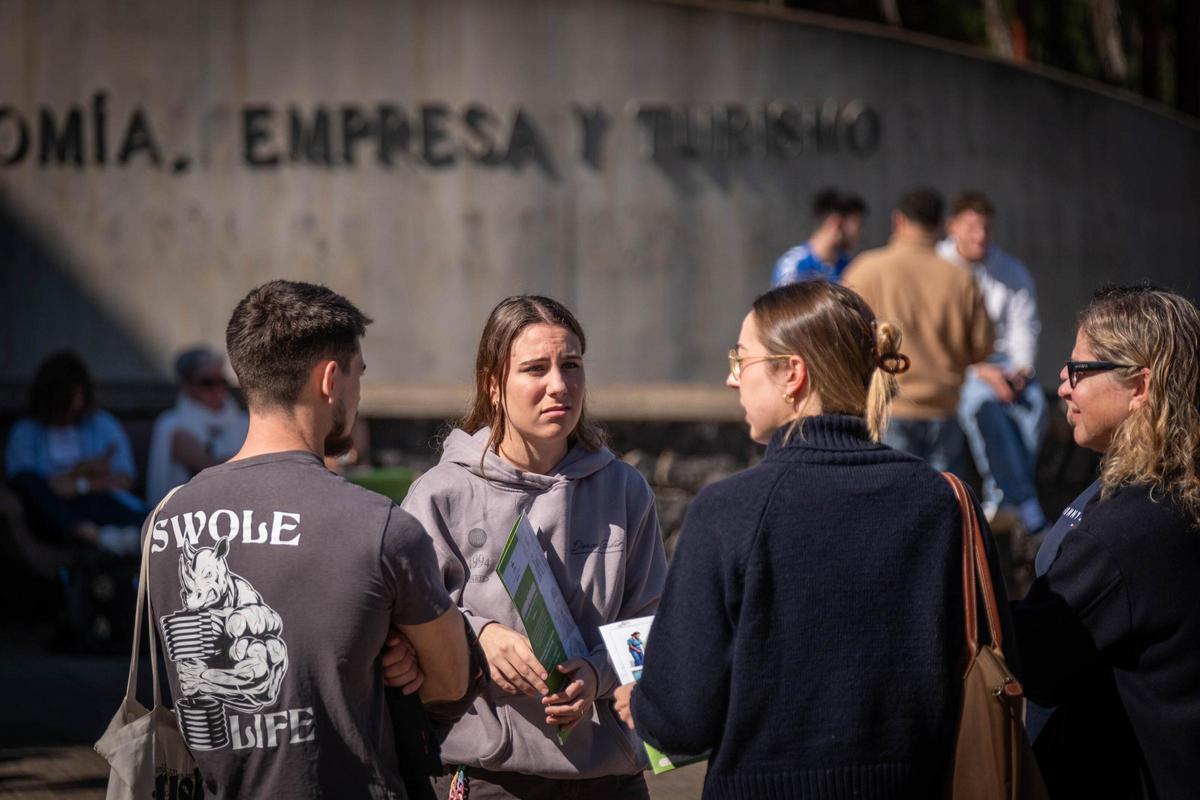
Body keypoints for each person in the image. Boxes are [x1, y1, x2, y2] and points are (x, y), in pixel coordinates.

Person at [614, 280, 1011, 798]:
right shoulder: (942, 501)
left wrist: (639, 703)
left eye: (742, 359)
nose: (732, 380)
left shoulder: (729, 511)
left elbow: (679, 722)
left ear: (792, 375)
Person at [147, 280, 473, 798]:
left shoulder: (166, 521)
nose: (358, 394)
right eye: (357, 375)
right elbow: (451, 684)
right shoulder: (379, 527)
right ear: (329, 380)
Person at [401, 295, 667, 800]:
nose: (559, 386)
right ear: (493, 384)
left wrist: (596, 673)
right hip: (489, 778)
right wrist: (477, 635)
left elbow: (652, 624)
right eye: (535, 369)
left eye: (571, 365)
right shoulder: (439, 495)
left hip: (608, 776)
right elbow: (402, 627)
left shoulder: (626, 491)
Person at [1013, 286, 1200, 799]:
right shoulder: (1159, 494)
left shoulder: (1130, 528)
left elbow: (1030, 660)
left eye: (1078, 370)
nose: (1063, 388)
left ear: (1140, 386)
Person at [843, 187, 994, 475]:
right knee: (943, 506)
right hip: (945, 410)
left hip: (887, 408)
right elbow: (982, 346)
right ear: (940, 225)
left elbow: (843, 339)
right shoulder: (961, 278)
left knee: (892, 506)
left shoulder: (865, 270)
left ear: (898, 221)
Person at [940, 191, 1049, 535]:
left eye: (985, 227)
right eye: (971, 227)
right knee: (983, 405)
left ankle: (1008, 498)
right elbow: (937, 337)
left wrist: (1019, 370)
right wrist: (979, 371)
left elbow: (1024, 325)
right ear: (952, 227)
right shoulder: (938, 267)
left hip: (1004, 362)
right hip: (959, 365)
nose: (980, 236)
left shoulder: (1009, 269)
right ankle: (1020, 503)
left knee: (1035, 410)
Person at [5, 350, 145, 552]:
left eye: (79, 397)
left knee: (144, 515)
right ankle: (87, 533)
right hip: (52, 514)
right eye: (68, 399)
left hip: (100, 503)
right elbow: (30, 486)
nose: (75, 406)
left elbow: (124, 480)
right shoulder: (25, 432)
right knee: (28, 483)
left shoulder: (102, 424)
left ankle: (115, 535)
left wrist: (79, 485)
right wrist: (82, 471)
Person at [145, 346, 249, 505]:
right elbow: (208, 467)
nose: (217, 388)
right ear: (187, 386)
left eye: (221, 381)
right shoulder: (173, 425)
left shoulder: (242, 420)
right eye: (207, 383)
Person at [770, 188, 867, 286]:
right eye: (858, 226)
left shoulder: (848, 266)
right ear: (836, 223)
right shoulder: (794, 265)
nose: (860, 233)